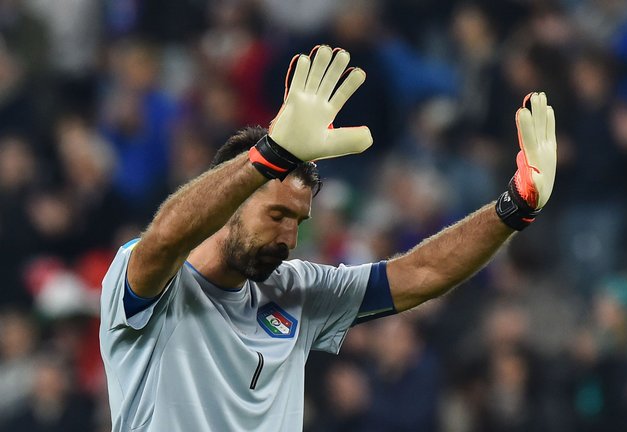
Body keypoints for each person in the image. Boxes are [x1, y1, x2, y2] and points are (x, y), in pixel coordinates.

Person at [99, 45, 557, 431]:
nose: (289, 239)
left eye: (298, 221)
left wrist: (514, 208)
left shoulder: (297, 290)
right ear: (228, 204)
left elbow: (421, 271)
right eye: (277, 214)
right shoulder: (151, 285)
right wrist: (270, 154)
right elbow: (164, 239)